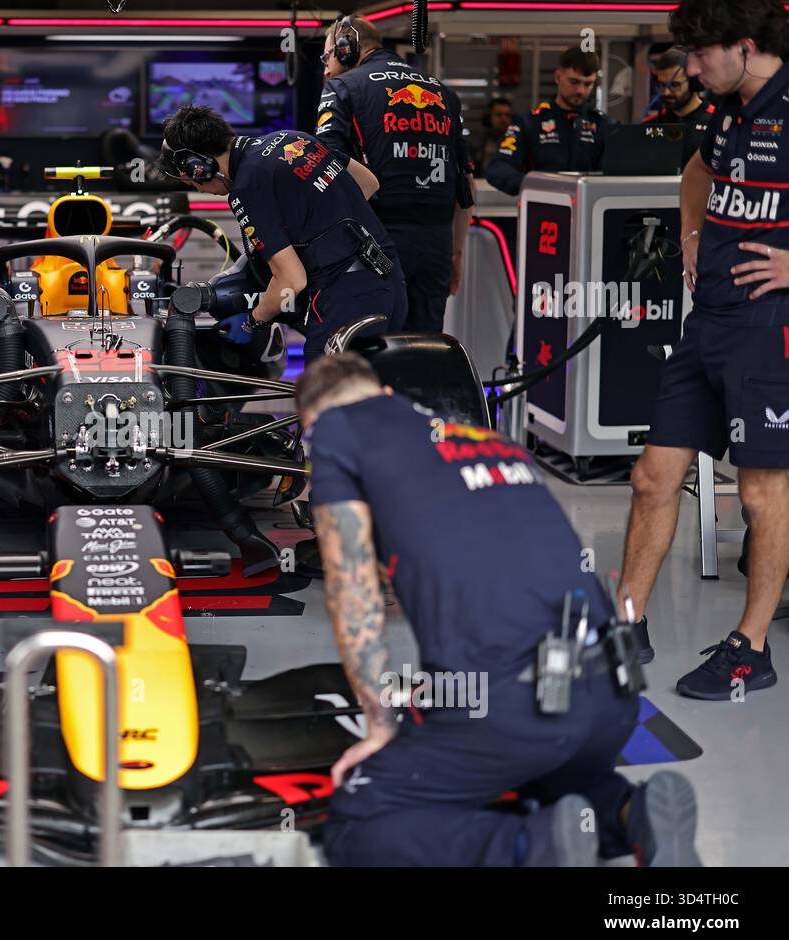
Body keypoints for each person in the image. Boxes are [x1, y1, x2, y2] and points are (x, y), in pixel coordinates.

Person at [298, 351, 701, 867]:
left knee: (358, 824)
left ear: (315, 424)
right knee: (551, 780)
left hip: (512, 705)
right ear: (386, 395)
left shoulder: (336, 431)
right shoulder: (484, 441)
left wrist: (380, 724)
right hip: (610, 699)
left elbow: (351, 587)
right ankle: (632, 813)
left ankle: (531, 849)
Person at [618, 0, 789, 700]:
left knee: (759, 492)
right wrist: (690, 236)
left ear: (744, 47)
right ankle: (625, 625)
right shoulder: (722, 113)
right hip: (706, 323)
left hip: (768, 327)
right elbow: (697, 172)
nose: (689, 69)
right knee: (653, 477)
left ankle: (750, 647)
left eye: (700, 55)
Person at [159, 105, 406, 365]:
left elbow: (291, 280)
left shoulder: (248, 186)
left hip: (346, 298)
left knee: (325, 397)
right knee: (378, 393)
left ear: (201, 167)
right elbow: (367, 182)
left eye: (193, 182)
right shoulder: (293, 138)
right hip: (390, 278)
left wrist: (253, 322)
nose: (201, 190)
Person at [314, 15, 475, 333]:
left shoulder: (342, 87)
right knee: (425, 351)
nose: (325, 67)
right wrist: (456, 253)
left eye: (327, 56)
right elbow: (465, 183)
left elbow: (326, 165)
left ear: (346, 49)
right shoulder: (444, 93)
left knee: (369, 347)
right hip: (436, 245)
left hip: (374, 242)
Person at [486, 46, 607, 195]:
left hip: (590, 210)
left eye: (588, 84)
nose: (580, 90)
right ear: (558, 77)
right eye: (574, 82)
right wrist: (534, 185)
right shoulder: (529, 123)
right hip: (543, 208)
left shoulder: (604, 125)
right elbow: (497, 168)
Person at [642, 46, 715, 161]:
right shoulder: (649, 124)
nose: (665, 92)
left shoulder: (717, 122)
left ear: (693, 83)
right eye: (662, 85)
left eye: (674, 85)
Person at [473, 97, 514, 171]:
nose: (503, 119)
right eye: (499, 114)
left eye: (507, 115)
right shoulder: (478, 142)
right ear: (488, 117)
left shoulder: (518, 141)